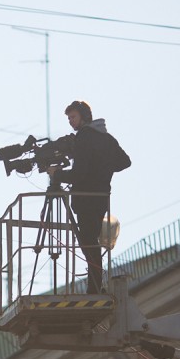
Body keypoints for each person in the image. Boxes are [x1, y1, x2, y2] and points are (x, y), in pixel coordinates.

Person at [48, 100, 131, 294]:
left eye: (73, 117)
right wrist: (103, 168)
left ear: (84, 116)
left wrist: (56, 174)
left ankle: (94, 287)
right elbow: (124, 162)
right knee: (91, 240)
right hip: (101, 197)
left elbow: (79, 174)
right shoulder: (106, 138)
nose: (70, 121)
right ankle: (95, 284)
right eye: (69, 118)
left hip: (85, 199)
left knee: (88, 242)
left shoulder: (84, 138)